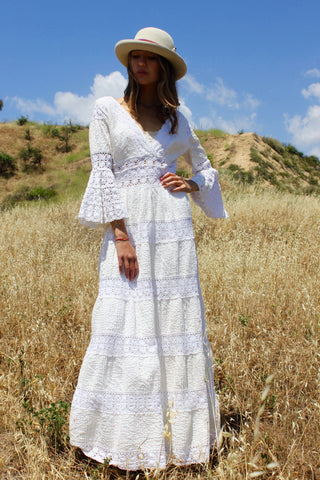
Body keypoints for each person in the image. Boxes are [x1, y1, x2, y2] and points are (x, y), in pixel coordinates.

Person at [69, 27, 228, 471]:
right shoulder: (107, 110)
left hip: (173, 230)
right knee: (124, 319)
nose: (140, 63)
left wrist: (193, 183)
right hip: (131, 227)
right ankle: (121, 441)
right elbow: (102, 173)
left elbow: (206, 165)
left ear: (163, 68)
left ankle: (178, 442)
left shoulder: (180, 119)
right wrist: (120, 234)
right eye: (135, 57)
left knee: (171, 323)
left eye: (149, 58)